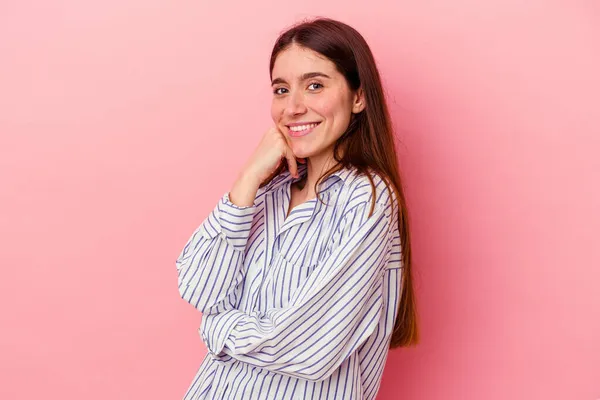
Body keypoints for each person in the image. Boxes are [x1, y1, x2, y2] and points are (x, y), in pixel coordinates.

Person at [175, 17, 418, 400]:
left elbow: (312, 347)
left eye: (315, 85)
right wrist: (246, 180)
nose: (293, 107)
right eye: (281, 89)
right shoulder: (268, 192)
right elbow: (199, 288)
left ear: (358, 96)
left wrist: (217, 329)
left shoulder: (367, 198)